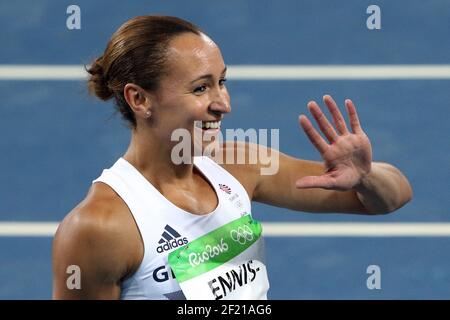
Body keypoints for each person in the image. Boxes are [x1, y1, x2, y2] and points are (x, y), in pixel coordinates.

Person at [52, 15, 412, 300]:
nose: (224, 104)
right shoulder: (101, 227)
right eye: (200, 88)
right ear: (140, 99)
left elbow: (390, 198)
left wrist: (365, 177)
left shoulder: (238, 165)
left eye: (221, 81)